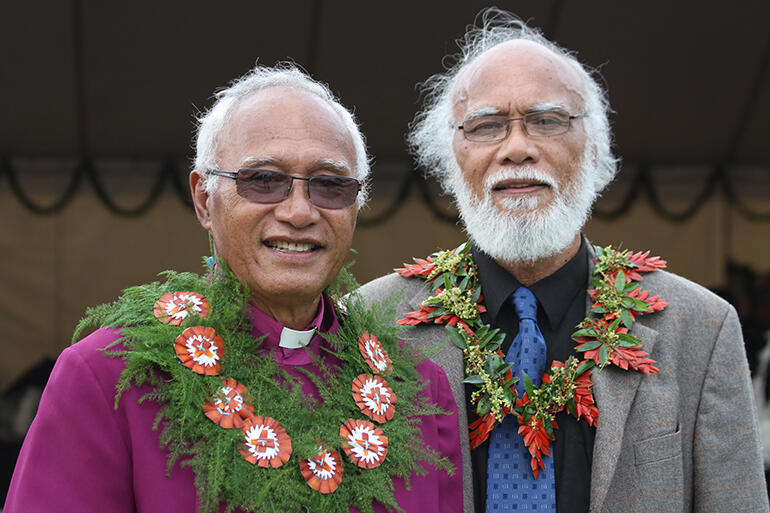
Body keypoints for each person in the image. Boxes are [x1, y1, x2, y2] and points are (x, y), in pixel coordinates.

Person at [358, 9, 768, 513]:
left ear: (594, 149)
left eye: (546, 121)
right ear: (450, 159)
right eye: (486, 126)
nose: (517, 148)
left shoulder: (701, 329)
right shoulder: (372, 323)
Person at [4, 64, 462, 512]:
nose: (299, 212)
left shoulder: (418, 391)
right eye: (264, 180)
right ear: (205, 200)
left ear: (356, 207)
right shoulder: (109, 377)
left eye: (329, 185)